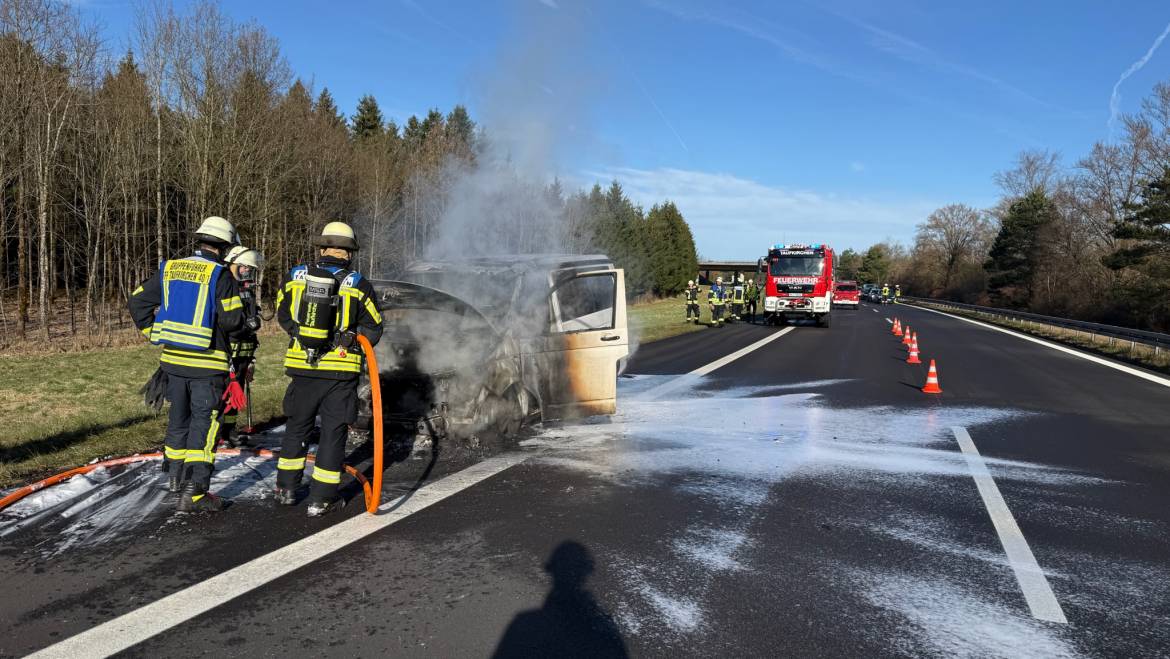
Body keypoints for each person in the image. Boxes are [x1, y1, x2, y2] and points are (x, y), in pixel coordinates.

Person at [129, 216, 246, 512]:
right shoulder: (221, 276)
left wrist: (153, 332)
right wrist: (246, 320)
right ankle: (195, 493)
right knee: (204, 426)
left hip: (172, 365)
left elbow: (137, 302)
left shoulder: (170, 269)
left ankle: (175, 480)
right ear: (223, 247)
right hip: (208, 366)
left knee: (178, 420)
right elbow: (233, 322)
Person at [275, 221, 384, 517]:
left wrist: (300, 333)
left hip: (301, 367)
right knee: (332, 433)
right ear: (348, 253)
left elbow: (282, 313)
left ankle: (286, 489)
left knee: (297, 426)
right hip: (339, 372)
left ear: (322, 248)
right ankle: (321, 499)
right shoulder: (357, 283)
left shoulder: (295, 276)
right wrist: (350, 338)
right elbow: (374, 327)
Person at [219, 246, 264, 448]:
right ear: (233, 263)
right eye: (244, 267)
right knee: (219, 396)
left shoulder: (247, 290)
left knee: (235, 398)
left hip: (244, 355)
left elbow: (252, 327)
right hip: (225, 355)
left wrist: (252, 360)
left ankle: (229, 431)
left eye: (250, 268)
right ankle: (214, 432)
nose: (247, 271)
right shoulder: (225, 287)